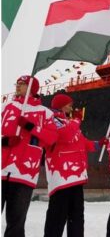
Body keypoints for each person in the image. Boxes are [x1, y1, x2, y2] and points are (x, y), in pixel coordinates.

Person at [2, 75, 58, 237]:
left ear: (32, 89)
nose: (18, 86)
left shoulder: (45, 113)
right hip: (2, 169)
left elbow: (52, 138)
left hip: (24, 173)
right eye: (17, 83)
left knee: (16, 222)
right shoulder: (7, 107)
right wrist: (4, 142)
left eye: (22, 84)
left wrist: (30, 126)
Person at [43, 94, 99, 237]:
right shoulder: (52, 119)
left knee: (77, 217)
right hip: (61, 177)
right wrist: (77, 120)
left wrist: (99, 144)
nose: (72, 107)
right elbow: (65, 136)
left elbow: (83, 142)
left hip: (76, 177)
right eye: (69, 104)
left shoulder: (70, 122)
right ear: (61, 106)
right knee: (57, 217)